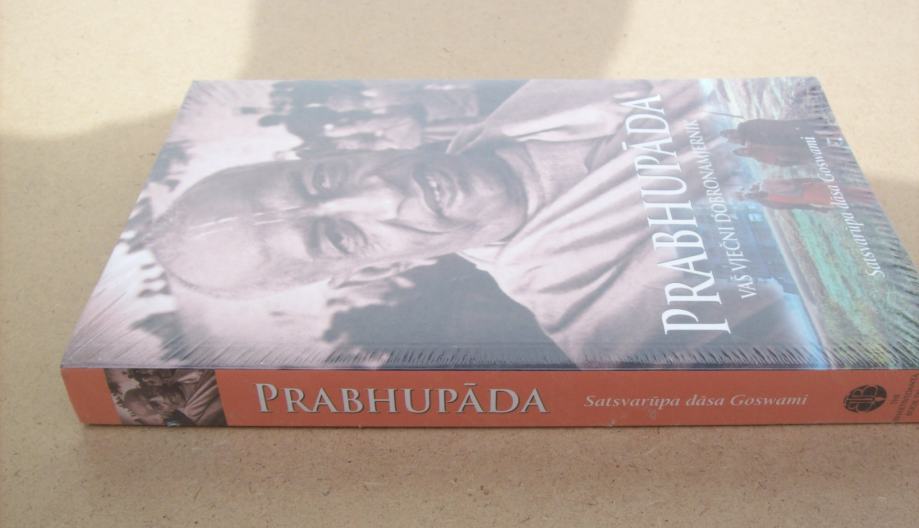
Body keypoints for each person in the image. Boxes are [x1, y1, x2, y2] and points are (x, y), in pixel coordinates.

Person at [149, 80, 816, 367]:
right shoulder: (607, 322)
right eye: (340, 236)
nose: (382, 191)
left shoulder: (534, 99)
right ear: (382, 267)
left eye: (324, 180)